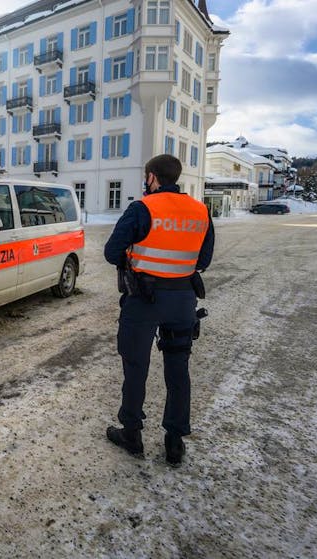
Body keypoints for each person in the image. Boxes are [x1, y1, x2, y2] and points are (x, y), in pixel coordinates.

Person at [102, 154, 215, 466]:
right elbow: (203, 261)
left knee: (136, 366)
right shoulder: (200, 210)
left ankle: (132, 434)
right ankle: (174, 442)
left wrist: (134, 256)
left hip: (144, 299)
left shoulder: (143, 208)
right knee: (178, 369)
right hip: (182, 299)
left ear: (151, 177)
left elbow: (112, 252)